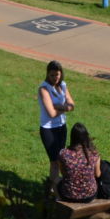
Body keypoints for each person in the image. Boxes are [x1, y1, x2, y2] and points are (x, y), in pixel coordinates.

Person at [37, 60, 75, 190]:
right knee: (54, 161)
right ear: (47, 74)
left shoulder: (63, 85)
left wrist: (59, 106)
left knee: (60, 160)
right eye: (52, 75)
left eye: (57, 75)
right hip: (48, 129)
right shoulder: (43, 89)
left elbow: (72, 105)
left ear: (61, 74)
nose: (55, 78)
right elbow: (51, 113)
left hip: (61, 127)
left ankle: (52, 187)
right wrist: (65, 107)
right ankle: (55, 190)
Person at [57, 123, 101, 202]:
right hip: (89, 195)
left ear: (72, 137)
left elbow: (63, 173)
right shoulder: (94, 154)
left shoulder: (63, 153)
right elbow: (97, 174)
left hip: (68, 195)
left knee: (57, 182)